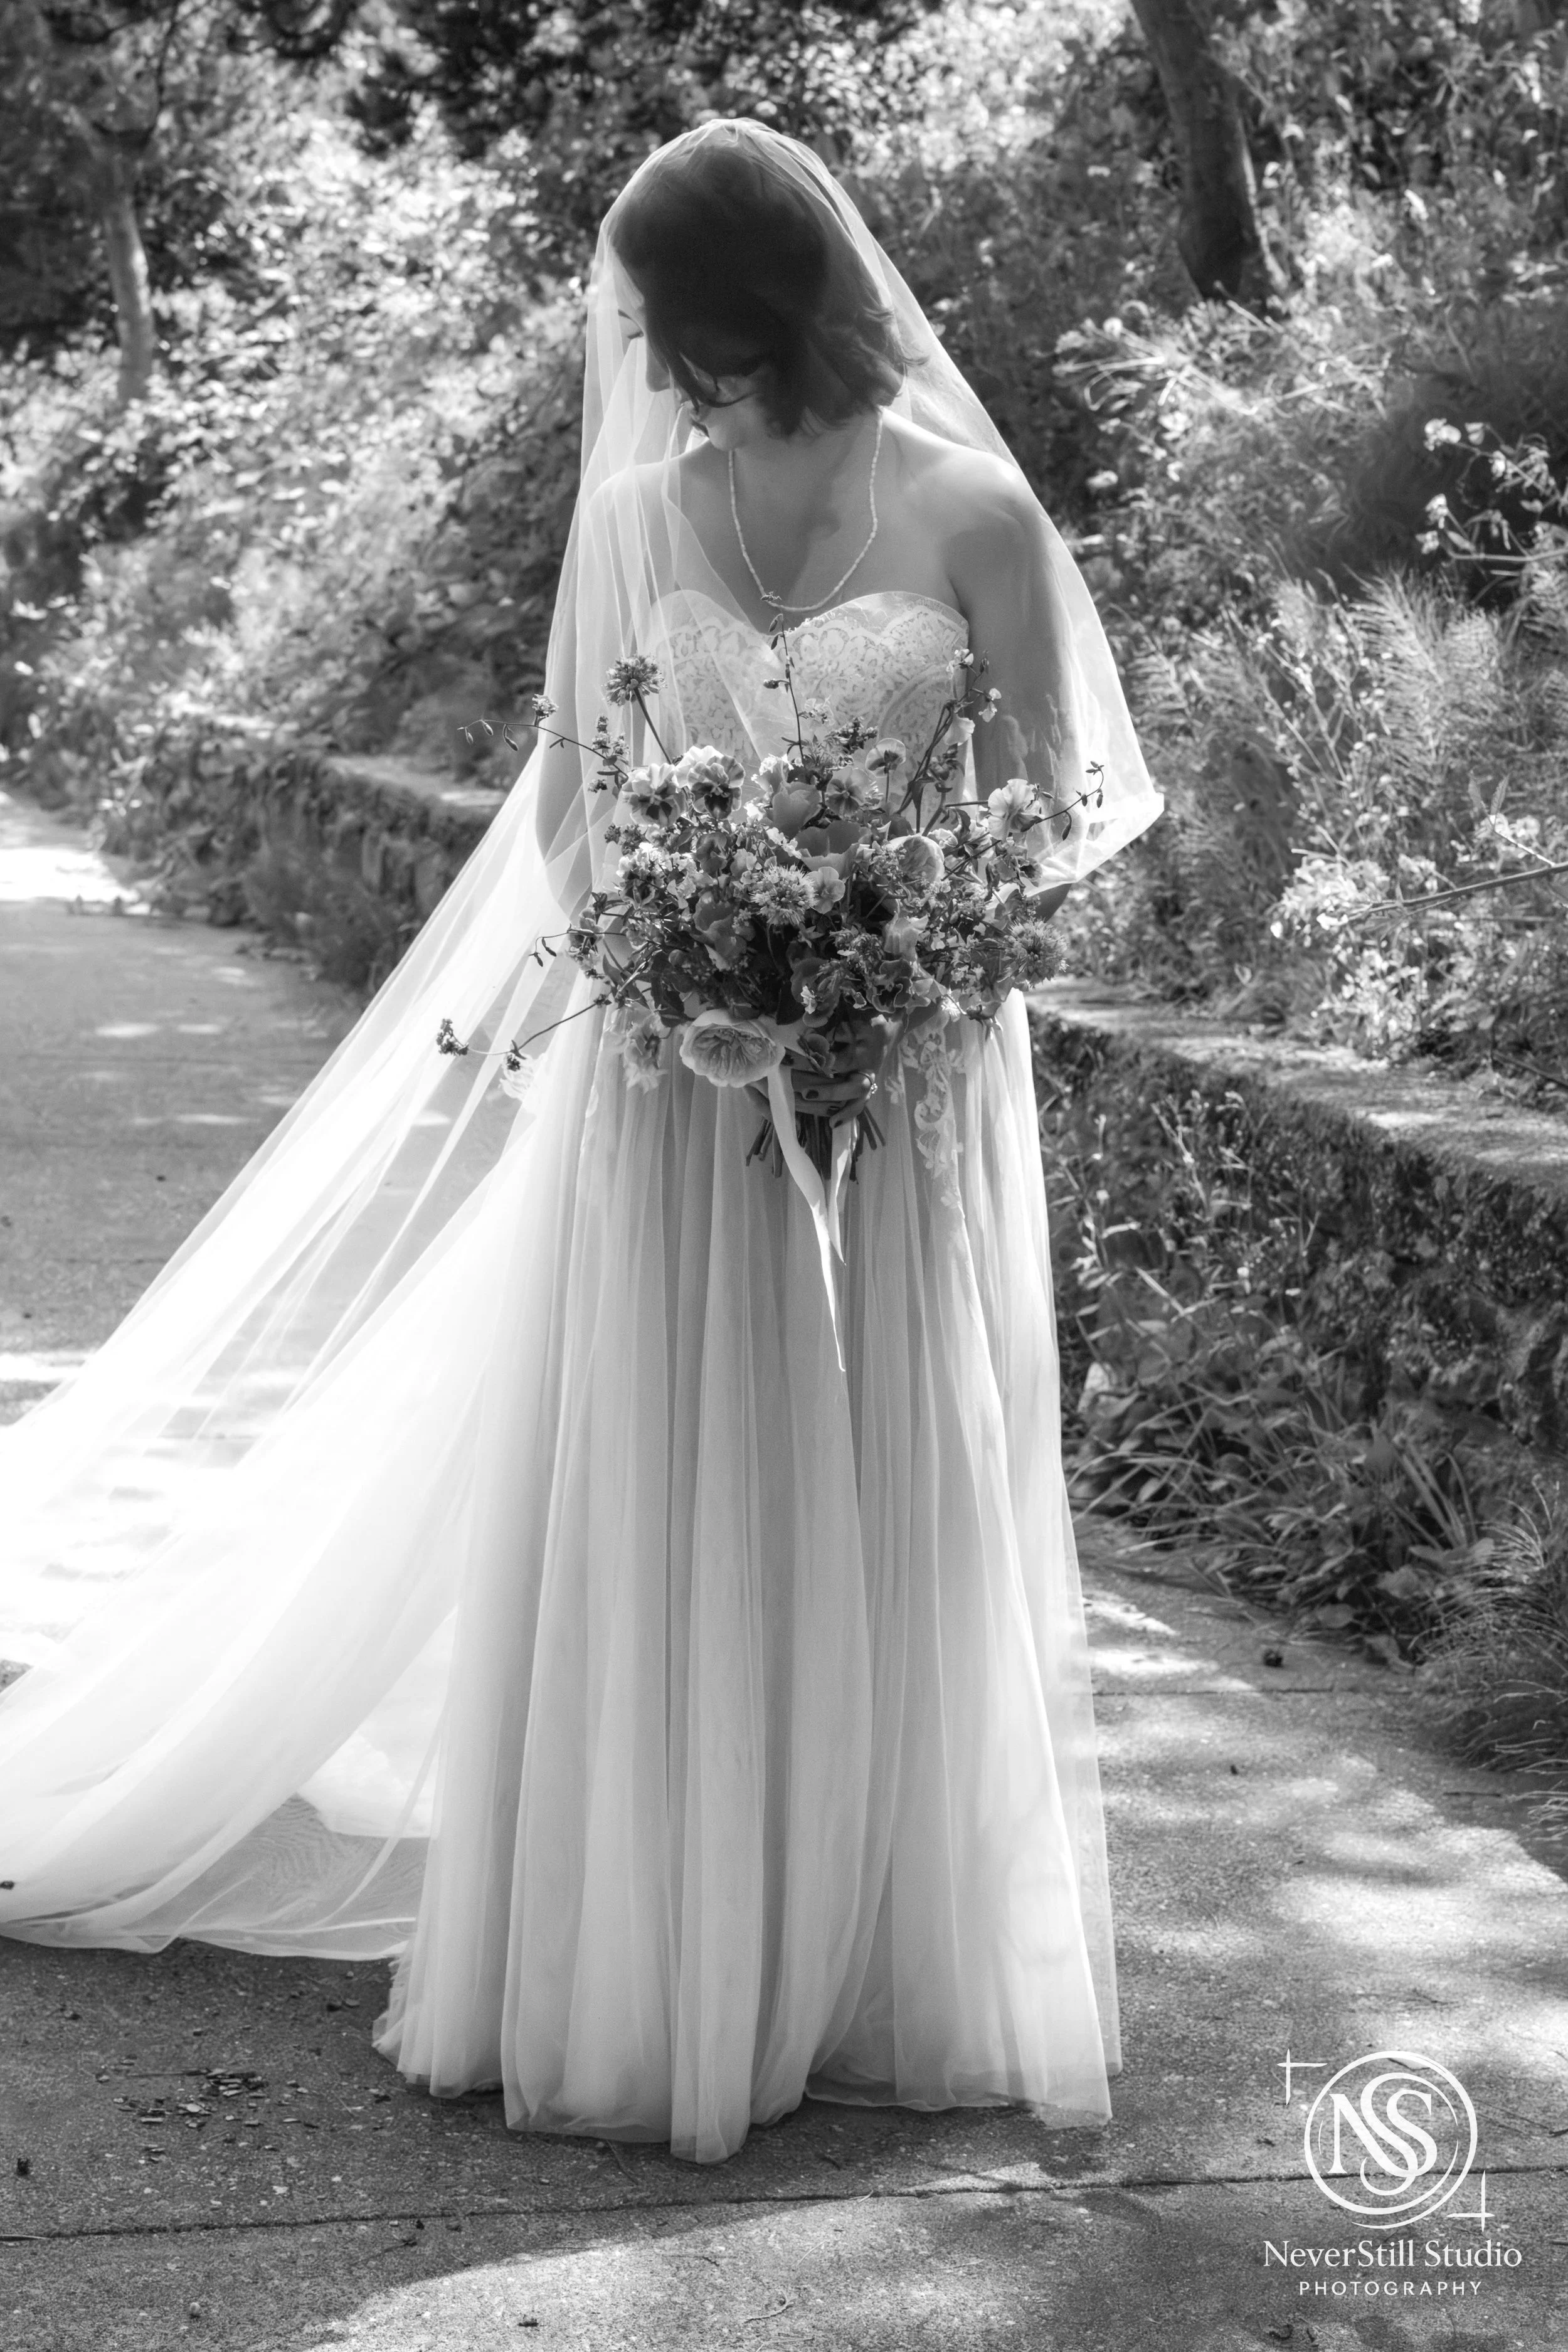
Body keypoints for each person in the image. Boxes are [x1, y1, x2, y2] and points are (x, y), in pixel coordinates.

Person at [0, 122, 1161, 2164]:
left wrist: (895, 944)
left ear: (752, 303)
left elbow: (1072, 807)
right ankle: (670, 1944)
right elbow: (567, 797)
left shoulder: (973, 511)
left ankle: (877, 1943)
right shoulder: (635, 511)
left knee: (896, 1463)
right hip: (669, 1061)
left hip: (909, 1075)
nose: (645, 352)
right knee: (678, 1476)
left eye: (665, 316)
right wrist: (693, 940)